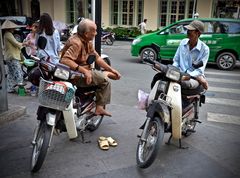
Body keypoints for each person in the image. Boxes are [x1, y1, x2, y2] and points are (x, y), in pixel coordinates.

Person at [60, 18, 121, 116]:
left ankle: (106, 73)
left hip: (82, 72)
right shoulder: (76, 43)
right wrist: (84, 71)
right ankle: (99, 108)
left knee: (102, 74)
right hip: (75, 75)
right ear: (86, 33)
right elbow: (65, 60)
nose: (96, 33)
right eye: (94, 31)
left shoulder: (87, 41)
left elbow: (97, 58)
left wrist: (111, 69)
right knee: (105, 81)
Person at [151, 20, 209, 90]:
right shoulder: (183, 42)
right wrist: (173, 71)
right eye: (188, 29)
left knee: (184, 83)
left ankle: (202, 81)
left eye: (191, 30)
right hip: (177, 74)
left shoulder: (205, 49)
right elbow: (176, 60)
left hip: (193, 77)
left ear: (198, 33)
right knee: (158, 77)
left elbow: (199, 70)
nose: (188, 32)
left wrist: (185, 76)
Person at [2, 20, 27, 93]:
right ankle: (21, 90)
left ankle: (9, 88)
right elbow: (16, 44)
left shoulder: (7, 34)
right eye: (13, 28)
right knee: (18, 73)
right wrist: (24, 44)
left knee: (10, 73)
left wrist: (23, 44)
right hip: (12, 57)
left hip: (9, 57)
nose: (14, 29)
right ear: (10, 28)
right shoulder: (8, 34)